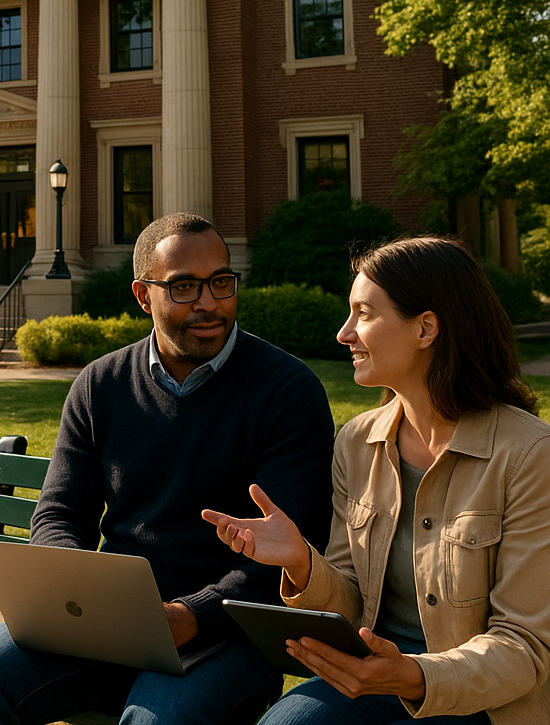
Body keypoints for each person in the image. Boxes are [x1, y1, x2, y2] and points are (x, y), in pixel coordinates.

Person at [0, 212, 335, 724]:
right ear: (143, 296)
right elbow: (59, 513)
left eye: (220, 282)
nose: (209, 302)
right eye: (185, 287)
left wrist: (189, 615)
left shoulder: (287, 392)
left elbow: (289, 555)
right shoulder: (99, 385)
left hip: (228, 634)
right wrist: (73, 590)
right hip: (110, 621)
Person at [203, 236, 550, 725]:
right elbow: (351, 605)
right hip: (371, 679)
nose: (344, 333)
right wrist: (302, 562)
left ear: (426, 327)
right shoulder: (356, 443)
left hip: (484, 701)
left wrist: (411, 675)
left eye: (363, 314)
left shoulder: (530, 455)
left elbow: (524, 646)